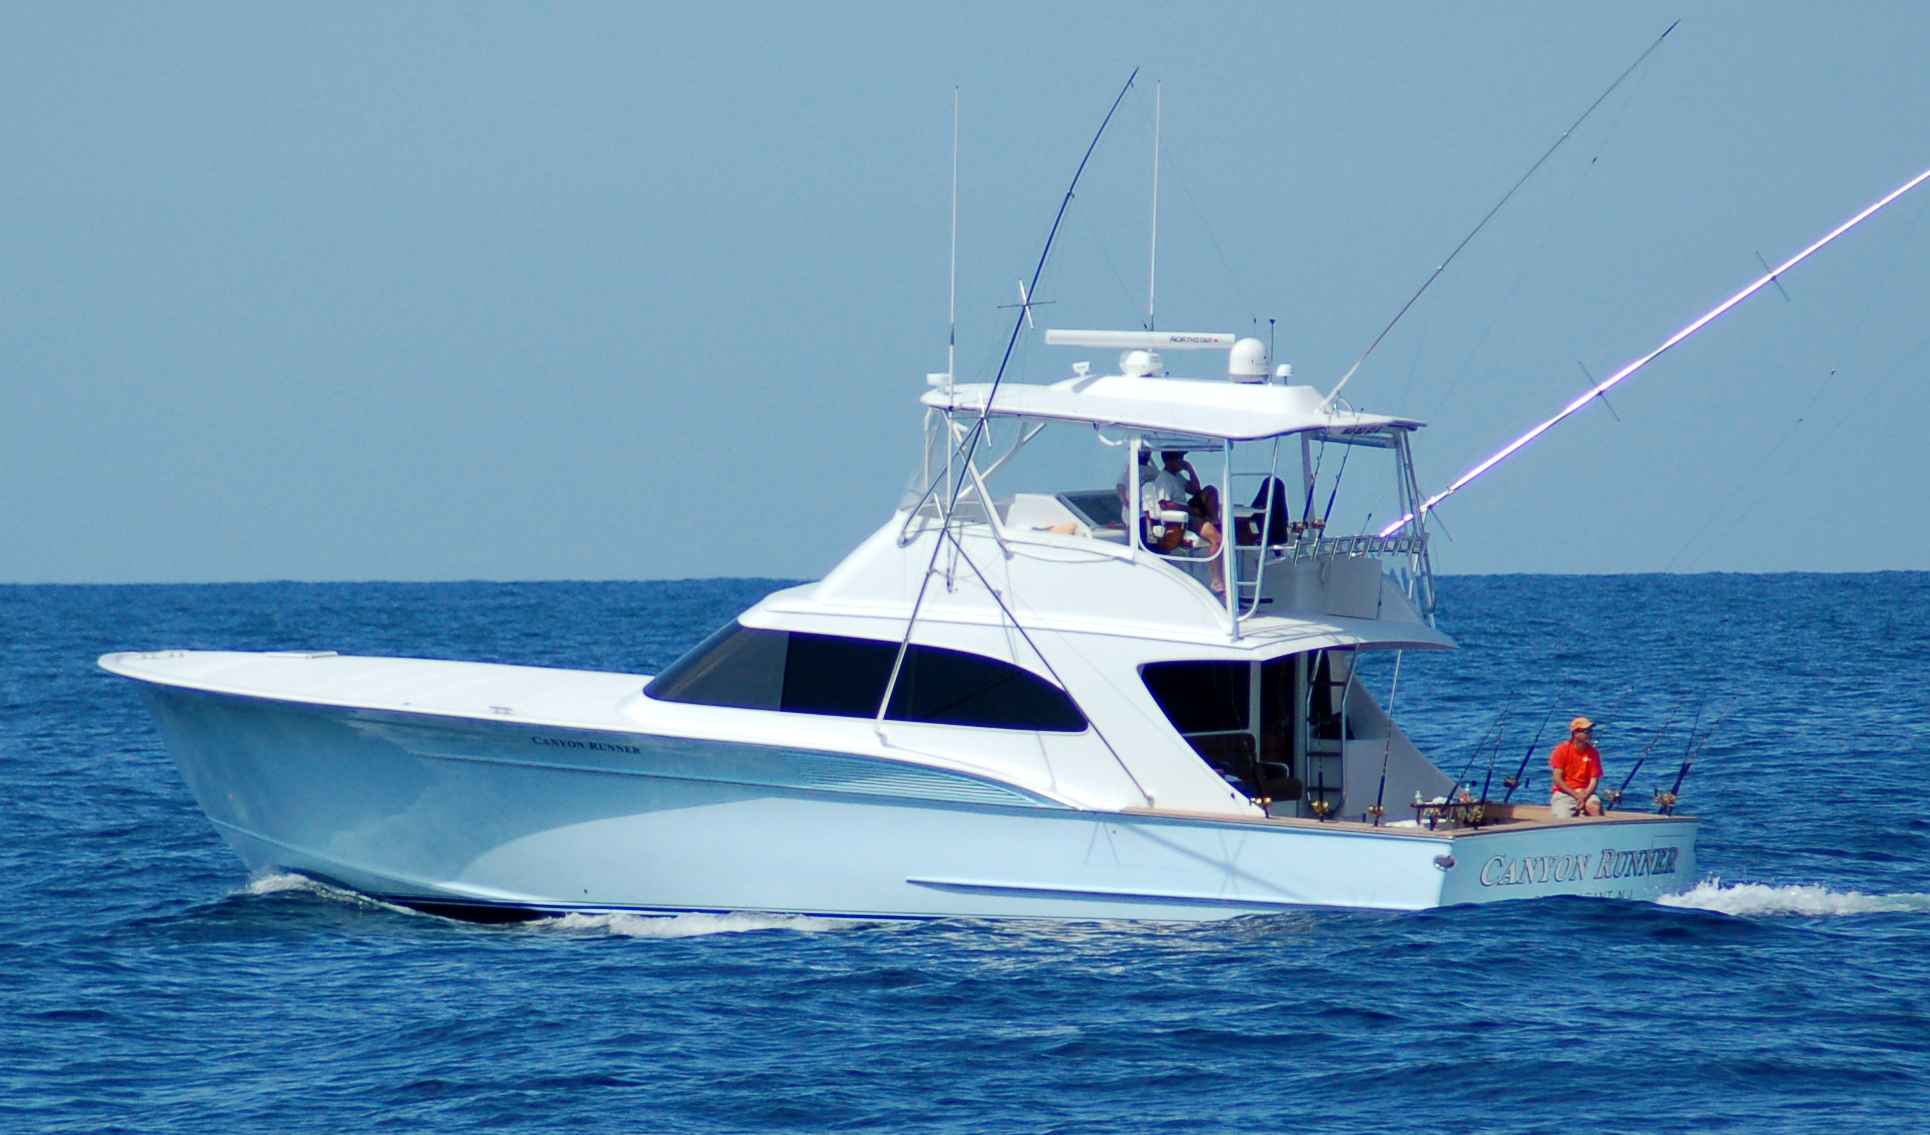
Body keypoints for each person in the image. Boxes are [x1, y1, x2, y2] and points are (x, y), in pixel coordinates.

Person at [1155, 451, 1224, 594]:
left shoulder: (1177, 476)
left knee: (1210, 490)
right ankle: (1216, 581)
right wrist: (1191, 510)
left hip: (1188, 513)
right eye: (1179, 458)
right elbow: (1165, 504)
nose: (1182, 461)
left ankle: (1213, 520)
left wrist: (1190, 470)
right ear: (1169, 460)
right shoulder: (1163, 479)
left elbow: (1196, 490)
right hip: (1179, 521)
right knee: (1216, 539)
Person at [1549, 716, 1605, 818]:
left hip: (1585, 792)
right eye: (1586, 731)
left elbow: (1594, 780)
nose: (1590, 734)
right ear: (1576, 733)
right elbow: (1557, 779)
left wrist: (1585, 794)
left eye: (1590, 731)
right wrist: (1575, 795)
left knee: (1594, 807)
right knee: (1563, 817)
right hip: (1564, 793)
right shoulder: (1561, 750)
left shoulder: (1593, 753)